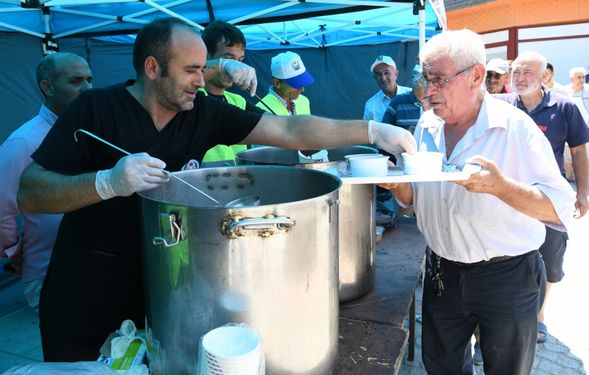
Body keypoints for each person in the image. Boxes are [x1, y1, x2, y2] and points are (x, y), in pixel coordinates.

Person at [17, 17, 415, 362]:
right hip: (88, 294)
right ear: (153, 68)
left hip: (164, 290)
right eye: (192, 70)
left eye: (204, 68)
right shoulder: (95, 110)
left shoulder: (202, 113)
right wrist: (106, 182)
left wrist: (370, 130)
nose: (200, 80)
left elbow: (289, 130)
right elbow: (31, 191)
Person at [381, 29, 575, 375]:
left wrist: (501, 187)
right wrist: (398, 187)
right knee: (442, 366)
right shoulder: (428, 125)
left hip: (506, 277)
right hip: (442, 271)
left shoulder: (514, 128)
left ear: (476, 76)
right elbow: (416, 202)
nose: (428, 91)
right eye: (425, 79)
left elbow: (559, 207)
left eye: (439, 80)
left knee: (506, 369)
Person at [497, 51, 589, 344]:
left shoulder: (565, 107)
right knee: (506, 258)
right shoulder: (501, 106)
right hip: (510, 197)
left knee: (549, 260)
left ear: (544, 77)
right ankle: (502, 316)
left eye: (528, 73)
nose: (520, 78)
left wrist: (583, 193)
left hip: (550, 199)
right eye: (516, 73)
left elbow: (579, 151)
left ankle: (539, 315)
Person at [0, 53, 92, 310]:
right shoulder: (24, 142)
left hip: (91, 263)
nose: (86, 89)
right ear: (47, 87)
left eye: (89, 80)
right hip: (50, 272)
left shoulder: (89, 130)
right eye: (75, 81)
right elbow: (2, 209)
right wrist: (13, 251)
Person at [200, 20, 264, 165]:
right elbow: (181, 79)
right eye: (229, 59)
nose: (237, 66)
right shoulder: (189, 97)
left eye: (240, 60)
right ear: (206, 57)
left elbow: (271, 122)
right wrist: (221, 66)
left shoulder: (237, 101)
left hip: (235, 181)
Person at [255, 51, 313, 115]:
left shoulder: (304, 101)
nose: (302, 89)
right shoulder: (260, 110)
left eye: (302, 81)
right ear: (277, 83)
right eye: (296, 83)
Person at [381, 64, 430, 133]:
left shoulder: (437, 101)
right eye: (421, 78)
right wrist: (404, 133)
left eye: (426, 78)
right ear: (412, 78)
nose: (424, 82)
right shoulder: (398, 101)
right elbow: (383, 131)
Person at [363, 55, 411, 121]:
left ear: (396, 74)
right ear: (375, 78)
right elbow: (367, 130)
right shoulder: (370, 105)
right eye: (379, 74)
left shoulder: (412, 95)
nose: (383, 78)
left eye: (387, 73)